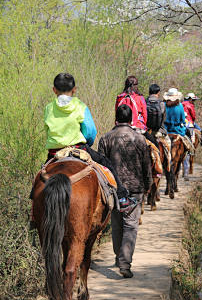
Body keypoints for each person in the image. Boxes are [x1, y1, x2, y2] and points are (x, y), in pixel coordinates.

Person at [43, 73, 137, 213]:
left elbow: (47, 130)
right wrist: (88, 143)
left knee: (40, 177)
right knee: (106, 164)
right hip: (78, 149)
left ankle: (34, 212)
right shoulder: (80, 106)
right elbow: (90, 132)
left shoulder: (48, 108)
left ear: (54, 90)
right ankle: (122, 198)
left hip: (54, 153)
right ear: (74, 89)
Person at [98, 104, 152, 278]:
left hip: (113, 189)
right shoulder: (140, 139)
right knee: (131, 226)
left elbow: (101, 167)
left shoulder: (105, 139)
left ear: (116, 118)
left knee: (117, 225)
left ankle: (118, 256)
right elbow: (146, 165)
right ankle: (125, 263)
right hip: (135, 190)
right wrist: (148, 184)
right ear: (130, 120)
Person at [115, 76, 160, 149]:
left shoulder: (119, 97)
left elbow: (116, 113)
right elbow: (144, 115)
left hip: (120, 126)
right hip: (137, 127)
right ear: (136, 85)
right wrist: (144, 126)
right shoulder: (140, 97)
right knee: (156, 146)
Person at [145, 83, 171, 150]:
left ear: (149, 92)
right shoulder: (161, 104)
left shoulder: (144, 102)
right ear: (158, 93)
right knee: (168, 143)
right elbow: (164, 120)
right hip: (159, 132)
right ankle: (169, 160)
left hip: (146, 132)